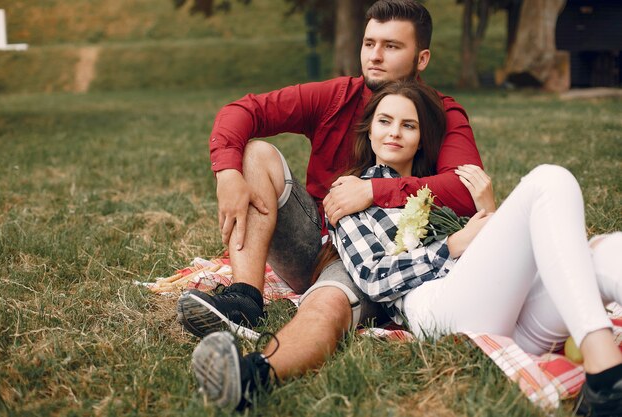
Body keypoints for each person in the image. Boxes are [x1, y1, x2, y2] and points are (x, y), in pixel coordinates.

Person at [183, 0, 484, 411]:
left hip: (384, 255)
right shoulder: (336, 96)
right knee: (254, 154)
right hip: (319, 240)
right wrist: (227, 172)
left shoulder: (440, 114)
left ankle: (253, 375)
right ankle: (245, 299)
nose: (375, 55)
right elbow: (244, 110)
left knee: (327, 301)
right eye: (369, 43)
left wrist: (374, 192)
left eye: (392, 46)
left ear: (422, 57)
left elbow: (464, 189)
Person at [322, 82, 622, 415]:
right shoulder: (350, 193)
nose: (394, 132)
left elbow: (497, 261)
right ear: (369, 130)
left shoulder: (442, 189)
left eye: (408, 125)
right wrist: (452, 244)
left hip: (510, 320)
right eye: (385, 121)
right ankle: (606, 374)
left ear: (422, 139)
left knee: (608, 248)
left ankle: (604, 381)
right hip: (440, 311)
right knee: (549, 180)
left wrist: (487, 211)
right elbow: (373, 278)